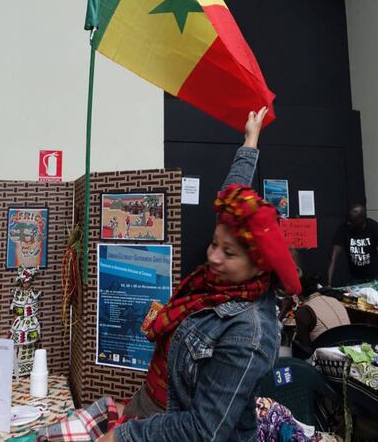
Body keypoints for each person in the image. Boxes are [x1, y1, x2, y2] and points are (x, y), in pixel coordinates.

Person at [101, 107, 301, 442]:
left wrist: (125, 437)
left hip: (166, 430)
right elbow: (233, 190)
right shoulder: (219, 284)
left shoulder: (250, 335)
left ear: (259, 264)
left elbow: (203, 430)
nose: (213, 257)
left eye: (229, 252)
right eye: (213, 244)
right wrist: (250, 140)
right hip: (149, 406)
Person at [293, 272, 350, 358]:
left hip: (330, 358)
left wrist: (284, 309)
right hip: (351, 349)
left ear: (298, 292)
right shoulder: (334, 300)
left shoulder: (303, 312)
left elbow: (304, 347)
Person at [327, 203, 378, 285]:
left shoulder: (373, 227)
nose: (348, 223)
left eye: (351, 221)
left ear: (362, 219)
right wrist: (328, 283)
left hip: (374, 277)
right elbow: (333, 257)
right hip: (355, 278)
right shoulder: (343, 229)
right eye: (347, 220)